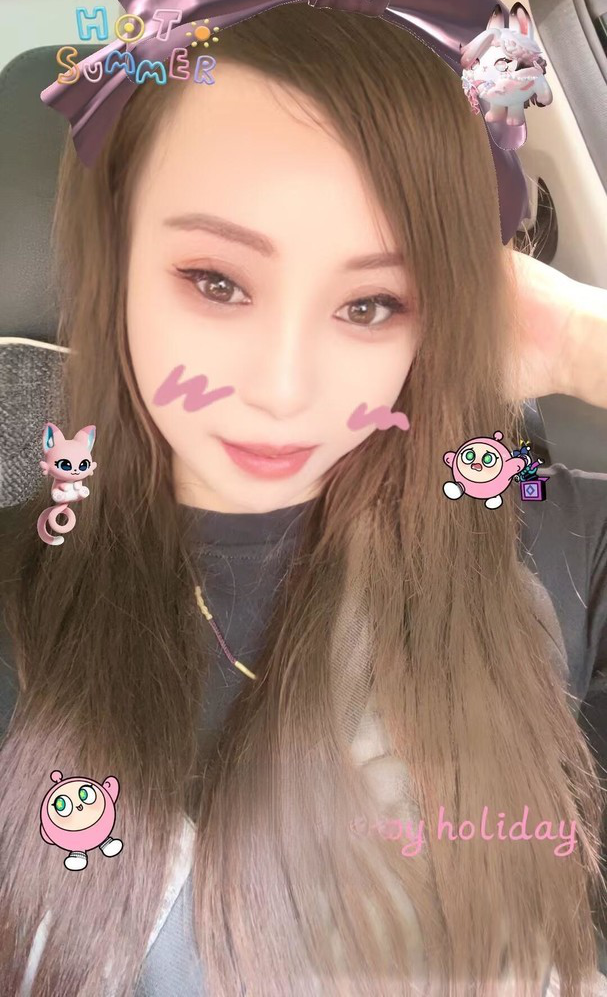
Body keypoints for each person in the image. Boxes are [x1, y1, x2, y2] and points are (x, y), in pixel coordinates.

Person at [1, 6, 607, 995]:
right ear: (113, 255)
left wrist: (583, 343)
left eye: (372, 303)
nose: (284, 390)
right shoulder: (17, 606)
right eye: (215, 281)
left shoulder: (535, 529)